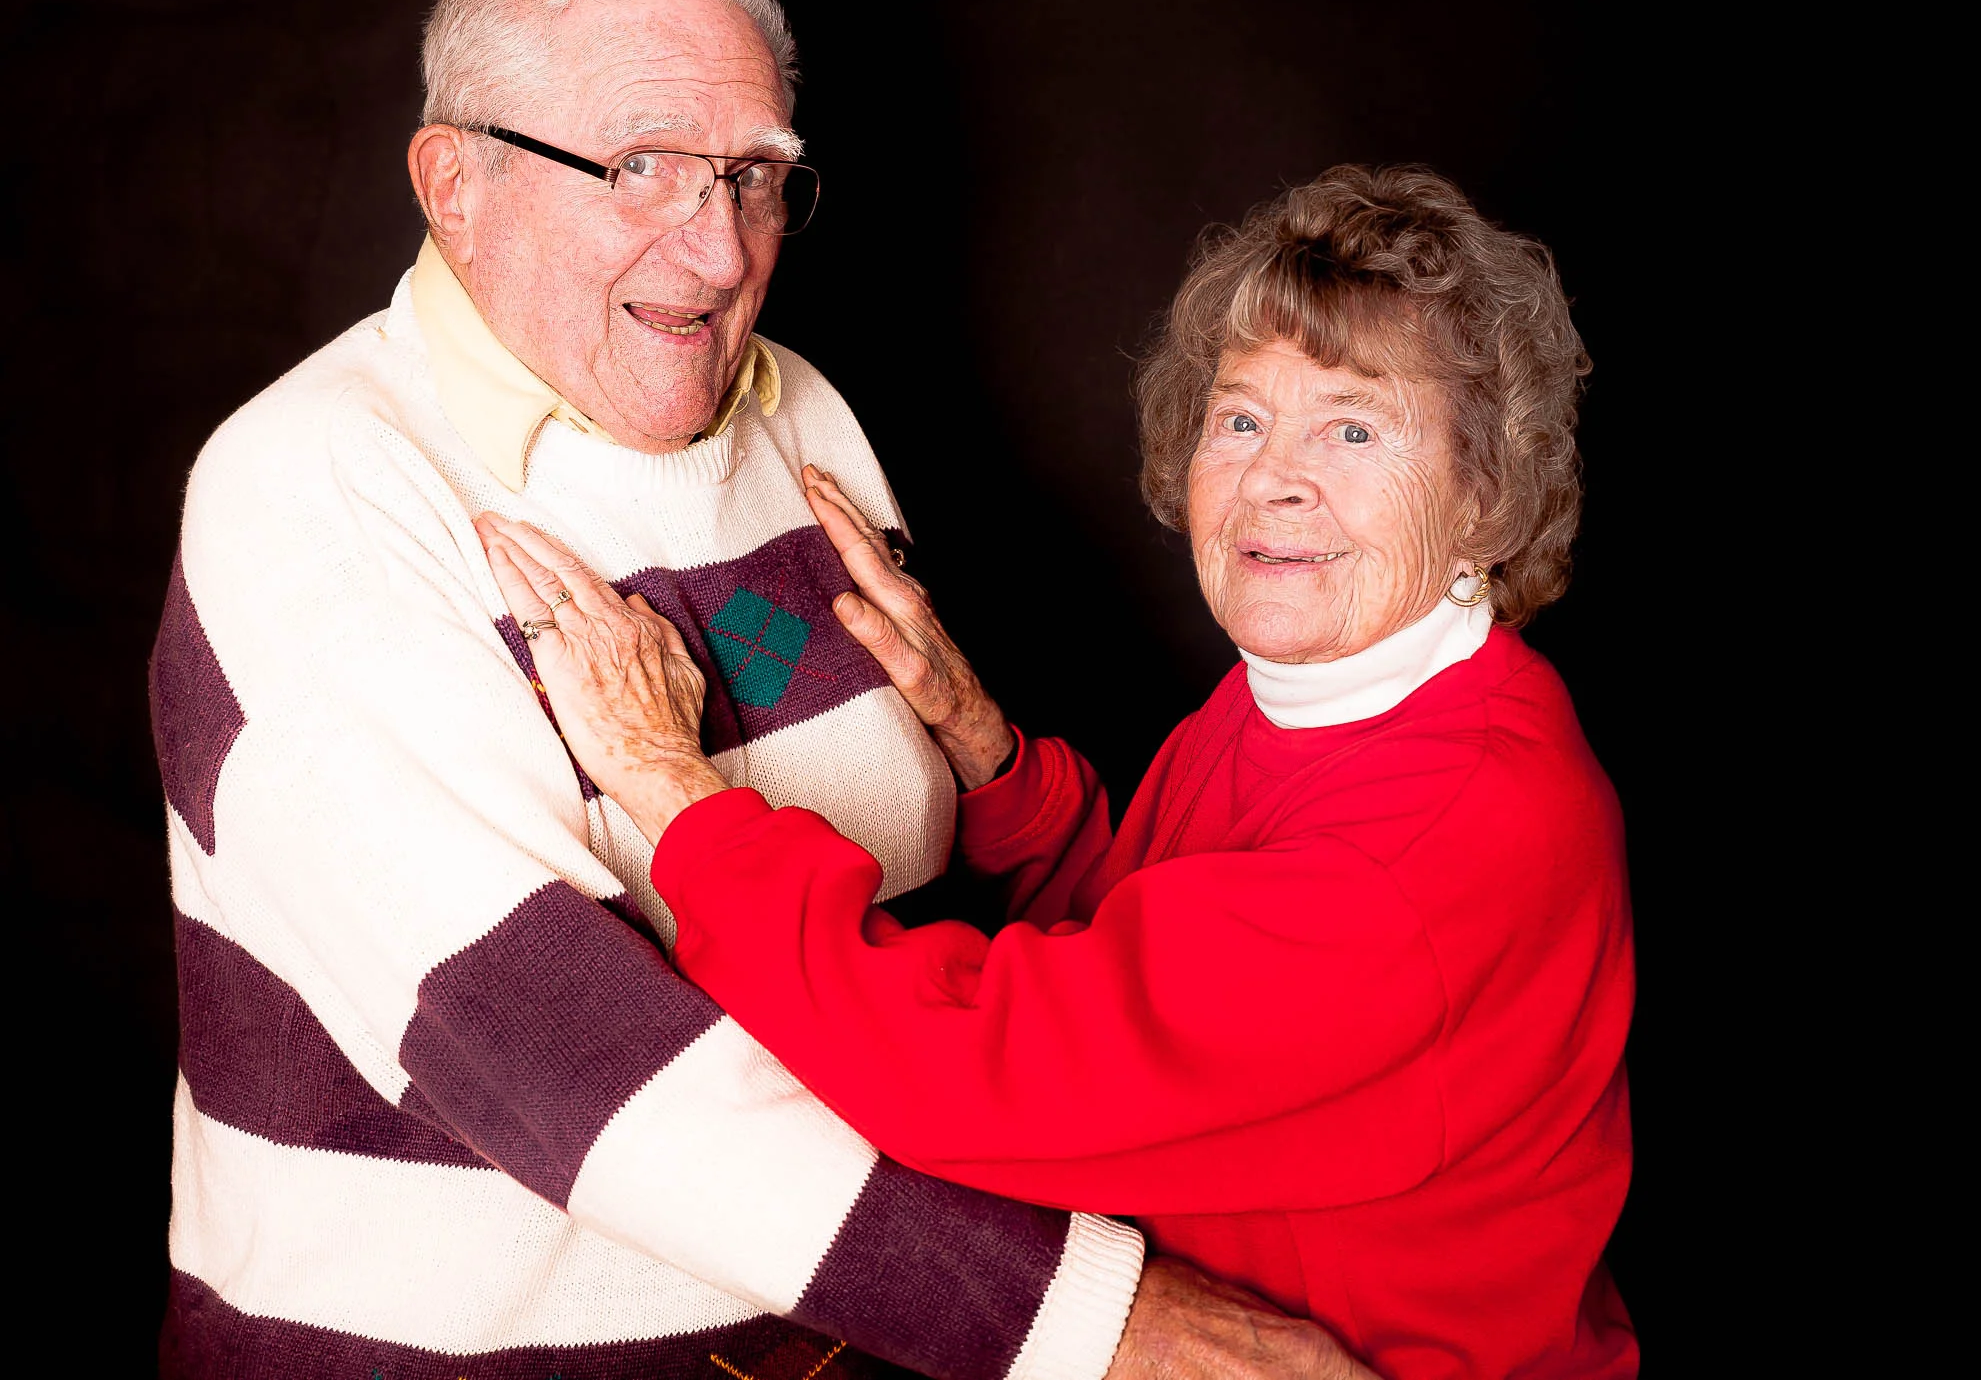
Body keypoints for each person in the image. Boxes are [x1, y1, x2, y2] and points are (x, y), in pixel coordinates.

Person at [148, 0, 1366, 1380]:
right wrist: (1092, 1318)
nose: (718, 250)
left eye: (753, 176)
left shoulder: (800, 411)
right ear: (450, 181)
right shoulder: (306, 494)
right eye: (640, 165)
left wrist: (987, 769)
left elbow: (902, 937)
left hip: (863, 1343)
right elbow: (547, 1042)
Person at [478, 164, 1640, 1379]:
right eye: (1240, 418)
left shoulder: (1445, 840)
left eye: (1353, 428)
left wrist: (675, 789)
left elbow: (956, 1075)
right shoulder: (1337, 690)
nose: (1271, 477)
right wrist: (987, 751)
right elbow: (1167, 957)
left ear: (1484, 494)